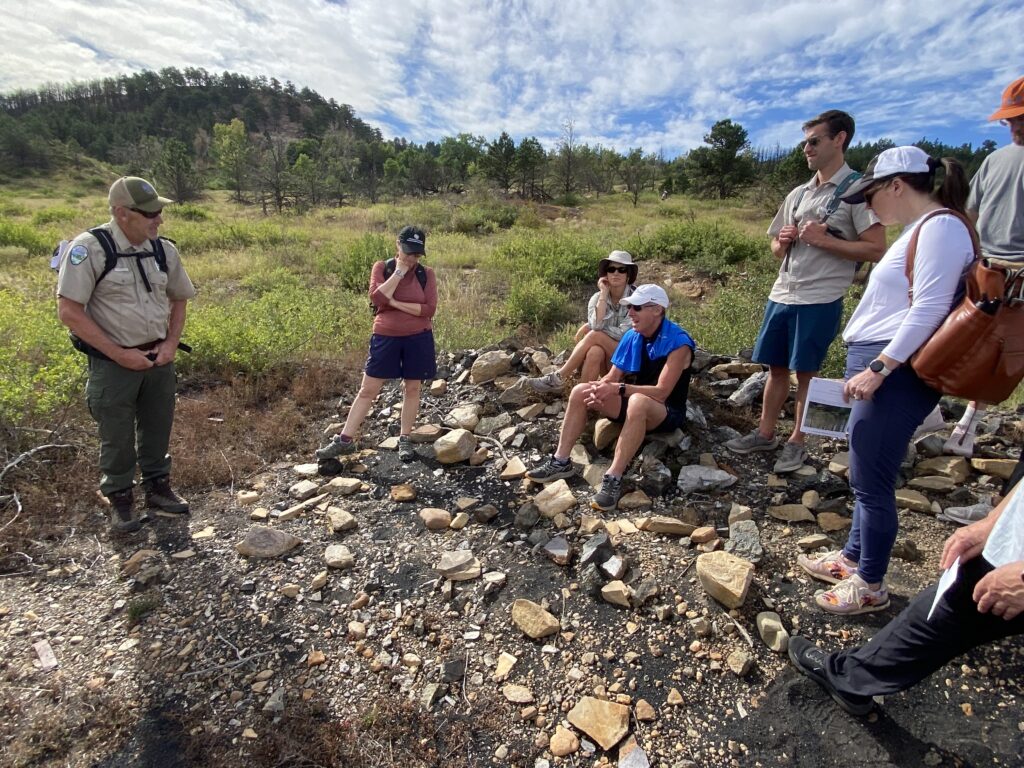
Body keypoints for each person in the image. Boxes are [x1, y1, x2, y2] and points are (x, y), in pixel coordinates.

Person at [797, 146, 975, 615]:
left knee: (870, 479)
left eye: (870, 194)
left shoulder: (941, 228)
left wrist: (880, 368)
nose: (866, 205)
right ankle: (853, 558)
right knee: (865, 469)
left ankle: (870, 583)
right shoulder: (924, 229)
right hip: (884, 362)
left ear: (897, 185)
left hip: (896, 369)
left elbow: (930, 308)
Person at [726, 110, 885, 473]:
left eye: (814, 141)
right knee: (776, 367)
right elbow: (774, 247)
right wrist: (782, 243)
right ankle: (765, 434)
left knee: (807, 372)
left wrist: (825, 240)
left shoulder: (858, 191)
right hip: (782, 293)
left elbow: (876, 249)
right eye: (804, 143)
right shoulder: (798, 194)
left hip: (820, 298)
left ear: (839, 139)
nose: (807, 149)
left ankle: (797, 441)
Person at [788, 479, 1024, 716]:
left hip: (1013, 569)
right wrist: (993, 522)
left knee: (944, 609)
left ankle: (848, 678)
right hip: (1012, 549)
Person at [56, 177, 196, 533]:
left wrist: (169, 345)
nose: (158, 219)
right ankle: (120, 501)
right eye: (149, 213)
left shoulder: (163, 249)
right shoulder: (90, 249)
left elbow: (179, 297)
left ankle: (159, 490)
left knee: (158, 427)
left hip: (158, 360)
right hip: (113, 366)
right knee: (116, 436)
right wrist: (118, 354)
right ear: (121, 213)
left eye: (160, 211)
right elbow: (70, 311)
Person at [526, 285, 695, 512]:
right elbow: (612, 376)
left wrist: (617, 389)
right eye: (629, 307)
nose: (630, 313)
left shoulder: (678, 343)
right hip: (634, 401)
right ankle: (561, 460)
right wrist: (599, 389)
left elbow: (662, 392)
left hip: (665, 410)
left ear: (657, 310)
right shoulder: (632, 336)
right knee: (580, 391)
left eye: (636, 307)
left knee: (638, 402)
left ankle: (614, 477)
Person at [943, 75, 1024, 458]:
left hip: (1021, 274)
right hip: (985, 268)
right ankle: (940, 416)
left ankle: (969, 424)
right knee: (956, 340)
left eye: (1020, 118)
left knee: (1003, 354)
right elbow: (970, 215)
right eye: (1010, 119)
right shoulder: (995, 160)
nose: (1014, 126)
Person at [316, 226, 437, 463]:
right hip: (385, 336)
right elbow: (377, 298)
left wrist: (395, 302)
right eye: (407, 252)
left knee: (412, 389)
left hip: (418, 337)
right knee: (368, 389)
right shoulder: (383, 267)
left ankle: (405, 438)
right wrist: (398, 274)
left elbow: (429, 310)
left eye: (416, 254)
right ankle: (344, 441)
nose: (411, 258)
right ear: (397, 246)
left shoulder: (426, 274)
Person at [529, 251, 637, 392]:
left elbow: (623, 334)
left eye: (621, 270)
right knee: (595, 351)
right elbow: (596, 325)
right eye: (611, 269)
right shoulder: (597, 298)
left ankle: (559, 377)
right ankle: (584, 400)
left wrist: (593, 329)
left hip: (630, 360)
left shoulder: (636, 298)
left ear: (628, 274)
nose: (616, 273)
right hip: (611, 364)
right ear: (606, 274)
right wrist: (604, 294)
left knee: (595, 335)